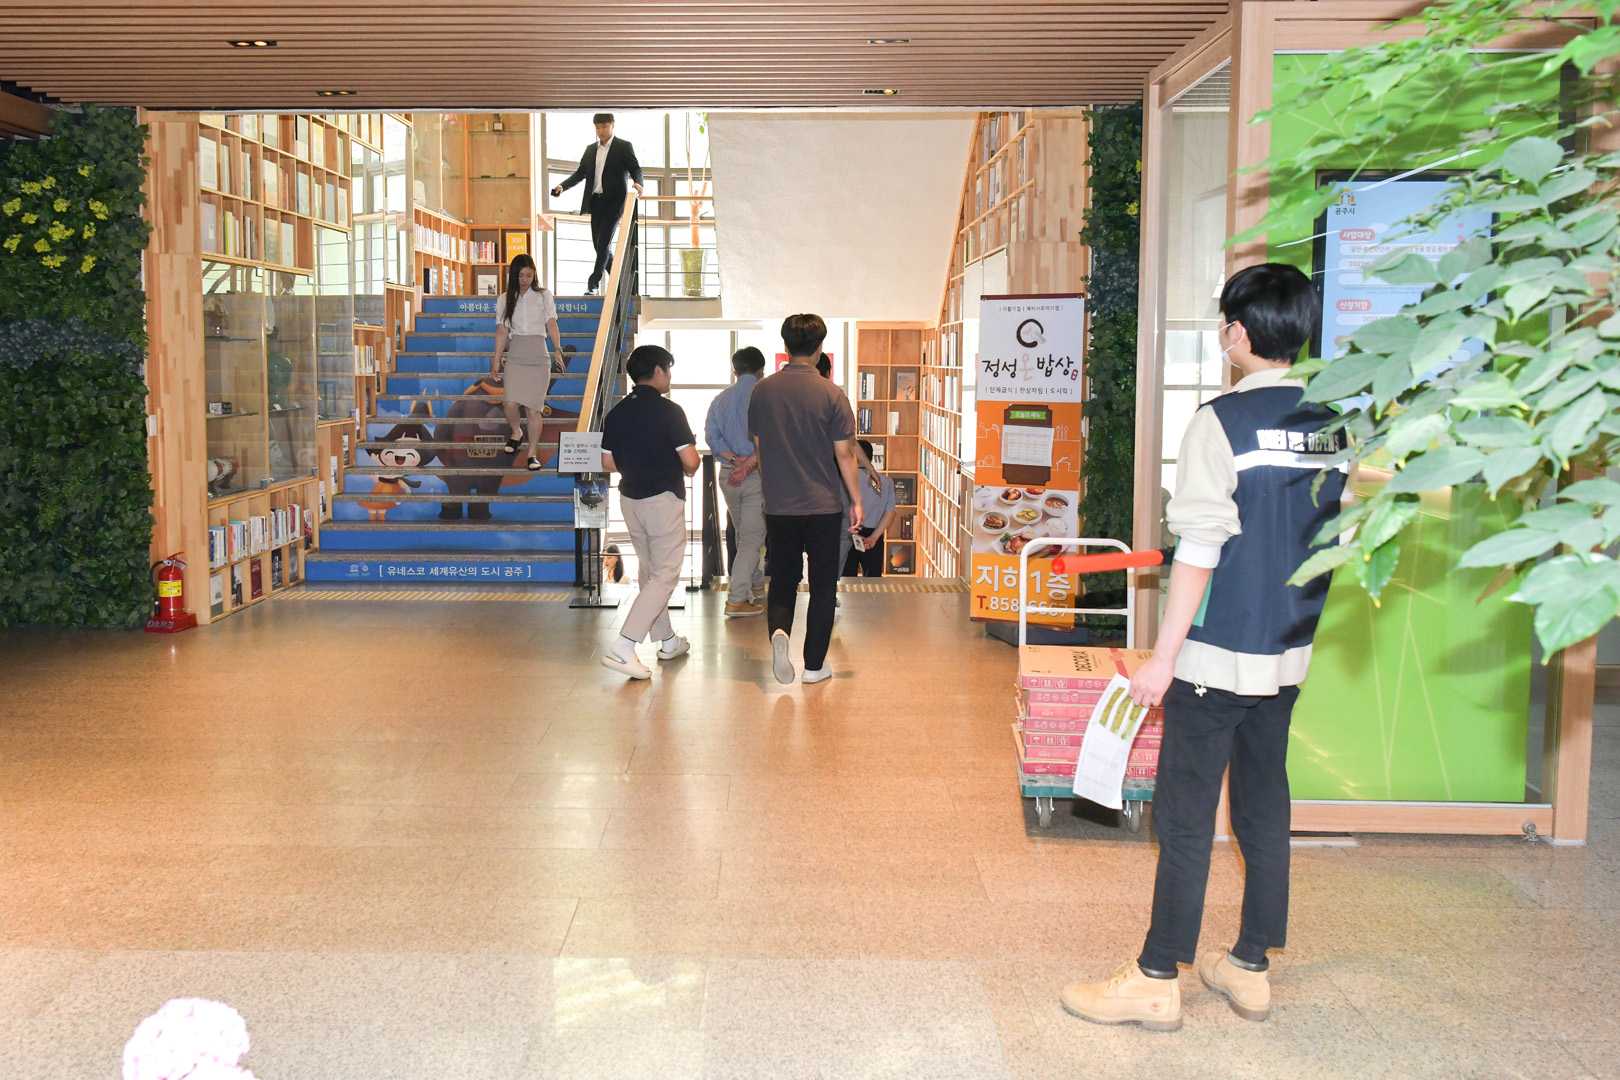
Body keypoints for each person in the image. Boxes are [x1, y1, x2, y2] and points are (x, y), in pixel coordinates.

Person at [1060, 263, 1345, 1031]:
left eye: (1227, 324)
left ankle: (1156, 977)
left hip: (1217, 656)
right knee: (1264, 802)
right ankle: (1249, 965)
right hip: (1287, 654)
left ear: (1238, 335)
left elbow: (1200, 549)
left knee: (1185, 814)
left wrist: (1161, 658)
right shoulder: (1335, 423)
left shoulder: (1221, 423)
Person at [745, 314, 863, 685]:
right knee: (823, 585)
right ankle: (813, 667)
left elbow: (760, 446)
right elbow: (845, 453)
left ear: (785, 346)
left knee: (783, 577)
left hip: (779, 505)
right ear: (819, 347)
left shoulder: (763, 391)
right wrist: (857, 501)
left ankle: (780, 633)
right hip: (823, 504)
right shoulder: (832, 394)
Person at [598, 344, 700, 679]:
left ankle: (668, 640)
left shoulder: (616, 413)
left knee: (650, 570)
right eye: (668, 370)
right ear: (658, 370)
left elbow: (607, 462)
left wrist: (638, 464)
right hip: (662, 500)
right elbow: (691, 462)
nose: (669, 376)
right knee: (665, 574)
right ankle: (624, 645)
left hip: (630, 499)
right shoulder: (670, 411)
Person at [705, 346, 768, 617]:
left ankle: (756, 584)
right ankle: (736, 599)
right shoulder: (766, 396)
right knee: (752, 538)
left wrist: (735, 460)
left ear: (735, 371)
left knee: (744, 534)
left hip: (728, 476)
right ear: (761, 370)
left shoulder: (720, 399)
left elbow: (712, 437)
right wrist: (748, 463)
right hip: (757, 475)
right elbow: (770, 438)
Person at [551, 113, 644, 295]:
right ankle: (625, 285)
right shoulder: (590, 150)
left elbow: (635, 168)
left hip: (614, 203)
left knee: (602, 246)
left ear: (612, 125)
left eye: (604, 127)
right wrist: (562, 186)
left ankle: (592, 285)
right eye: (597, 128)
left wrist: (638, 183)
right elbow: (580, 174)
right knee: (600, 247)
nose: (601, 131)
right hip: (596, 203)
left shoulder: (623, 146)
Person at [488, 254, 564, 471]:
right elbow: (502, 332)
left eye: (529, 275)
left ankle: (532, 453)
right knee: (510, 403)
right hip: (516, 354)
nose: (525, 280)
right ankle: (516, 432)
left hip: (539, 354)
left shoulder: (543, 295)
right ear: (514, 275)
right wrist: (496, 362)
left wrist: (557, 350)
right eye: (521, 275)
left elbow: (552, 324)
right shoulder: (504, 299)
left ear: (534, 275)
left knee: (533, 410)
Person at [843, 439, 895, 577]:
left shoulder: (845, 479)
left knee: (847, 580)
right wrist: (873, 538)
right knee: (873, 581)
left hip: (848, 534)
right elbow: (890, 513)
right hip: (874, 536)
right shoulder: (886, 482)